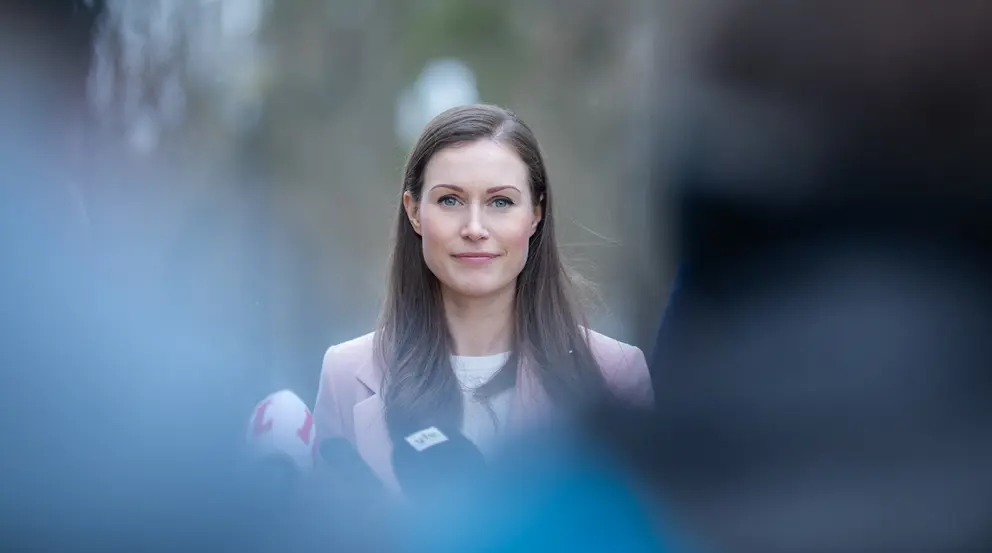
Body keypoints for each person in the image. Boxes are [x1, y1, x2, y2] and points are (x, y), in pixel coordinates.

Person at [313, 104, 653, 493]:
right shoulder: (345, 376)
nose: (475, 228)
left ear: (536, 213)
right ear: (414, 211)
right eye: (450, 201)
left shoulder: (616, 375)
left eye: (501, 202)